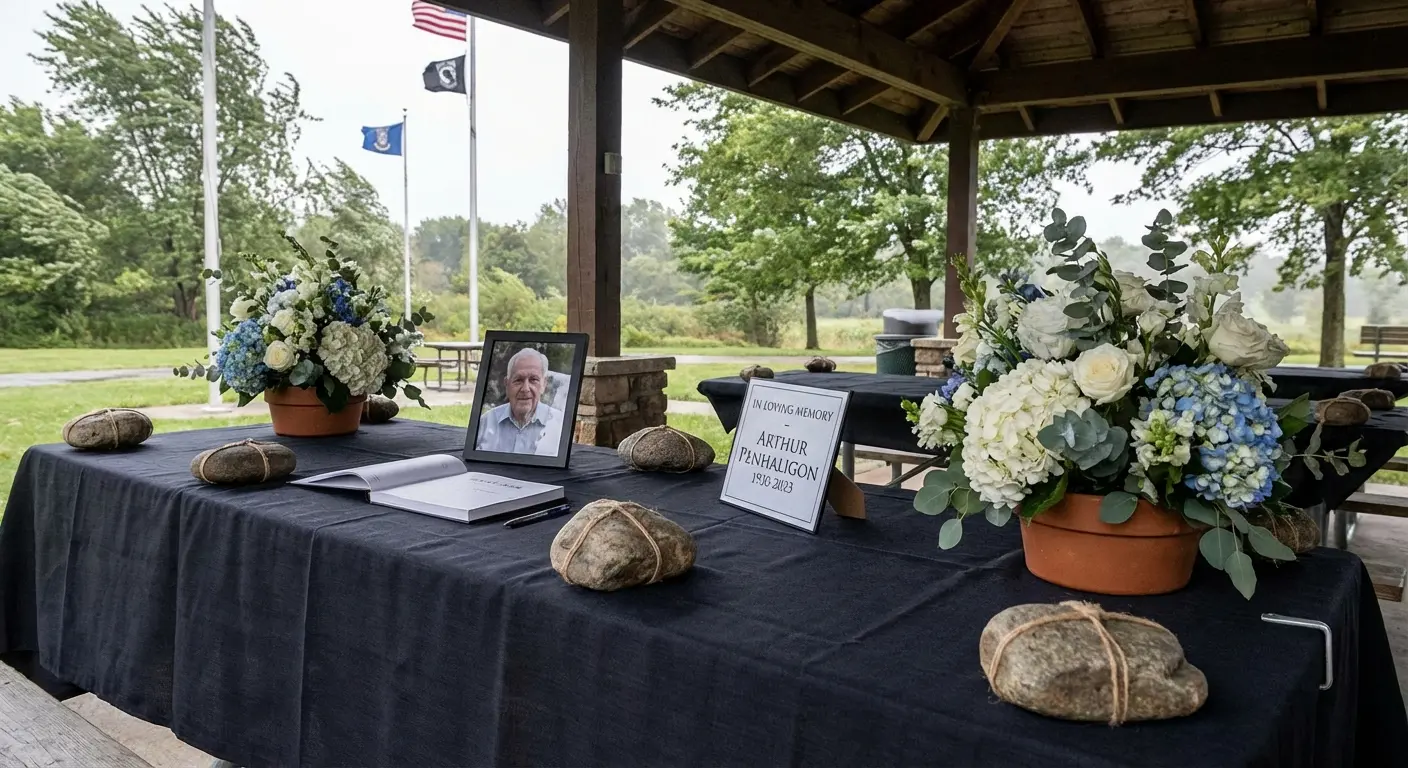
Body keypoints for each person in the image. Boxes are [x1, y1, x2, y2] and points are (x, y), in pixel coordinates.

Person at [475, 347, 565, 455]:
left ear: (544, 385)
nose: (525, 388)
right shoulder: (486, 422)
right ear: (507, 384)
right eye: (518, 380)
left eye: (533, 380)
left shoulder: (560, 425)